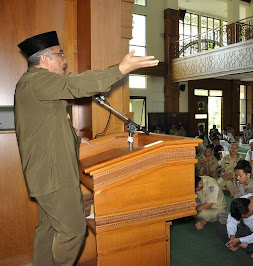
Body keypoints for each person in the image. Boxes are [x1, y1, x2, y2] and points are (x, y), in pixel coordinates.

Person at [14, 31, 159, 265]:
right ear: (45, 60)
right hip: (53, 175)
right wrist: (119, 70)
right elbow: (75, 84)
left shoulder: (33, 84)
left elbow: (46, 124)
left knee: (49, 228)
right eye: (60, 55)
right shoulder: (38, 80)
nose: (64, 61)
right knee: (73, 231)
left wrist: (73, 139)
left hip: (47, 174)